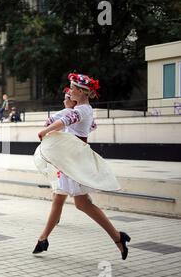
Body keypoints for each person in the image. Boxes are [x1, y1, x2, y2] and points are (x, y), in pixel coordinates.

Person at [32, 72, 130, 260]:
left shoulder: (84, 109)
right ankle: (43, 239)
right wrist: (65, 111)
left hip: (75, 159)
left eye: (73, 89)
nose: (70, 91)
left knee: (82, 203)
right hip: (70, 159)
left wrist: (47, 129)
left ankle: (118, 237)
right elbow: (64, 121)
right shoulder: (79, 109)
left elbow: (65, 121)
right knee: (59, 198)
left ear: (82, 92)